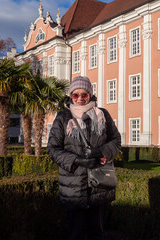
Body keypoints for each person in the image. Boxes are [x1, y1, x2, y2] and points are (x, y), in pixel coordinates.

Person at [47, 76, 121, 240]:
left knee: (98, 233)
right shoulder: (63, 117)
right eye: (75, 95)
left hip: (99, 184)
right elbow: (53, 149)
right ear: (71, 96)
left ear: (90, 95)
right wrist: (76, 160)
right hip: (73, 186)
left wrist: (101, 151)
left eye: (84, 94)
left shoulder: (103, 115)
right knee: (76, 234)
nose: (80, 98)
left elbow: (116, 141)